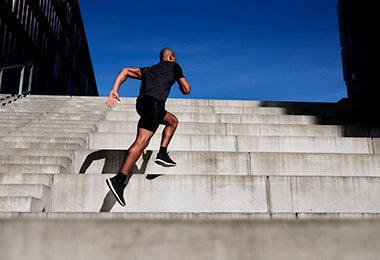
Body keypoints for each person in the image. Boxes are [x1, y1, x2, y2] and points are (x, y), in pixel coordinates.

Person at [105, 48, 191, 206]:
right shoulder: (174, 66)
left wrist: (114, 90)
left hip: (142, 103)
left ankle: (162, 153)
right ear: (171, 57)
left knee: (172, 121)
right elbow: (186, 89)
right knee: (142, 141)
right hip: (155, 104)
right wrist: (181, 83)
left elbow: (125, 71)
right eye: (174, 58)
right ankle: (119, 180)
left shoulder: (149, 70)